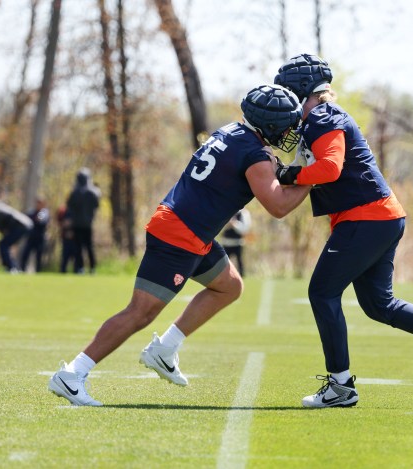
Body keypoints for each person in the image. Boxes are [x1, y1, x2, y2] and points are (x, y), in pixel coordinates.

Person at [48, 84, 311, 406]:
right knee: (140, 313)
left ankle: (165, 348)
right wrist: (313, 176)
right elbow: (279, 206)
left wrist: (291, 170)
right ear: (270, 124)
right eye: (285, 124)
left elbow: (259, 172)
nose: (289, 130)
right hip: (179, 234)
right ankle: (73, 374)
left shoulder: (231, 132)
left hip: (189, 229)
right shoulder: (255, 155)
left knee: (229, 286)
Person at [273, 54, 413, 408]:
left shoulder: (322, 116)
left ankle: (341, 386)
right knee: (378, 304)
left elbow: (330, 168)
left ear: (300, 91)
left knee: (322, 293)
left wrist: (288, 174)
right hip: (378, 217)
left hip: (367, 218)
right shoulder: (323, 118)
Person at [67, 167, 101, 274]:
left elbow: (70, 206)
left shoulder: (75, 192)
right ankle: (91, 268)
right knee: (88, 247)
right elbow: (96, 205)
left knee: (79, 247)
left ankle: (80, 268)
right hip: (87, 224)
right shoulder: (93, 192)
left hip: (77, 224)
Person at [20, 197, 50, 272]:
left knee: (38, 256)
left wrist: (34, 219)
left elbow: (40, 220)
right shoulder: (32, 212)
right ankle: (22, 270)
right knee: (25, 254)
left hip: (40, 237)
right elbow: (26, 219)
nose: (38, 205)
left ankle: (38, 271)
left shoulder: (44, 212)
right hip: (31, 237)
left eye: (39, 203)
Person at [220, 208, 251, 276]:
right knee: (223, 264)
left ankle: (241, 277)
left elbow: (244, 229)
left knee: (239, 263)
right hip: (226, 243)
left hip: (238, 243)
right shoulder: (226, 211)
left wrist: (234, 224)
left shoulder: (244, 213)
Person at [56, 205, 77, 273]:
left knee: (76, 256)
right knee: (65, 256)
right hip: (65, 237)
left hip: (75, 238)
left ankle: (77, 271)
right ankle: (63, 271)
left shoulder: (78, 211)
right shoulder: (63, 211)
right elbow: (59, 220)